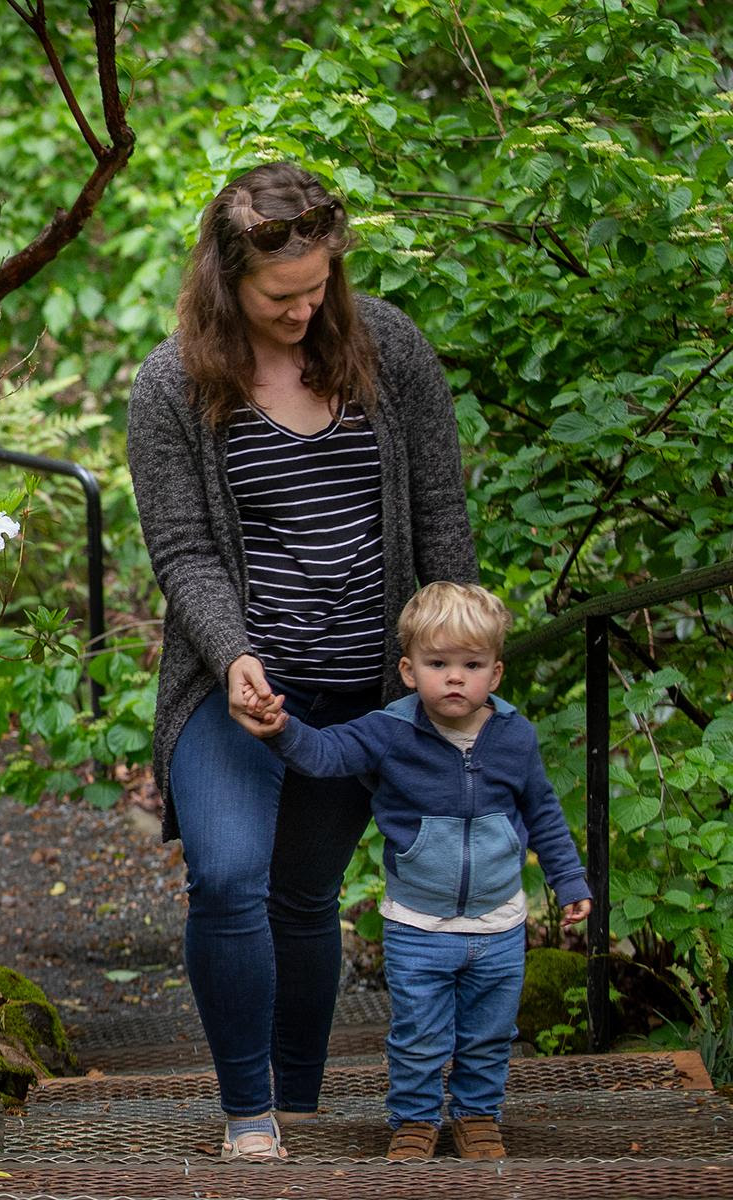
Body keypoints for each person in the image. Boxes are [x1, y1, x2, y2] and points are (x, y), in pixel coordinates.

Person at [126, 160, 479, 1161]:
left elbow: (441, 517)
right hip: (237, 684)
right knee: (231, 874)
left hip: (365, 689)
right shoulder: (173, 384)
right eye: (283, 294)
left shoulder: (389, 350)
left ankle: (299, 1107)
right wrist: (233, 655)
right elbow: (186, 551)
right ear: (227, 279)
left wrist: (455, 671)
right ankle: (248, 1116)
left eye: (321, 285)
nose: (306, 307)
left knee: (304, 897)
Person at [242, 581, 592, 1161]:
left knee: (488, 1034)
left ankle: (478, 1119)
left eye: (471, 664)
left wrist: (569, 879)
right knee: (419, 1035)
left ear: (495, 674)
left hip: (498, 925)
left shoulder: (514, 736)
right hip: (416, 923)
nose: (455, 677)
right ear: (409, 670)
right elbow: (327, 754)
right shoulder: (390, 732)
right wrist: (282, 731)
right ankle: (414, 1122)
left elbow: (544, 811)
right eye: (438, 663)